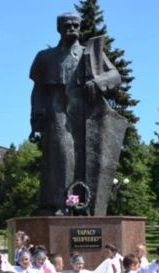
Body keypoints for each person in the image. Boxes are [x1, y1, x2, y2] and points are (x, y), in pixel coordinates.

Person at [29, 12, 126, 216]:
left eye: (75, 25)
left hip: (87, 116)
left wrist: (98, 83)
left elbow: (115, 75)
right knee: (62, 157)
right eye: (67, 25)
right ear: (58, 28)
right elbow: (38, 88)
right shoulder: (45, 57)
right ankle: (60, 205)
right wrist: (37, 113)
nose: (72, 28)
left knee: (84, 160)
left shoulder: (89, 54)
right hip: (58, 112)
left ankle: (79, 204)